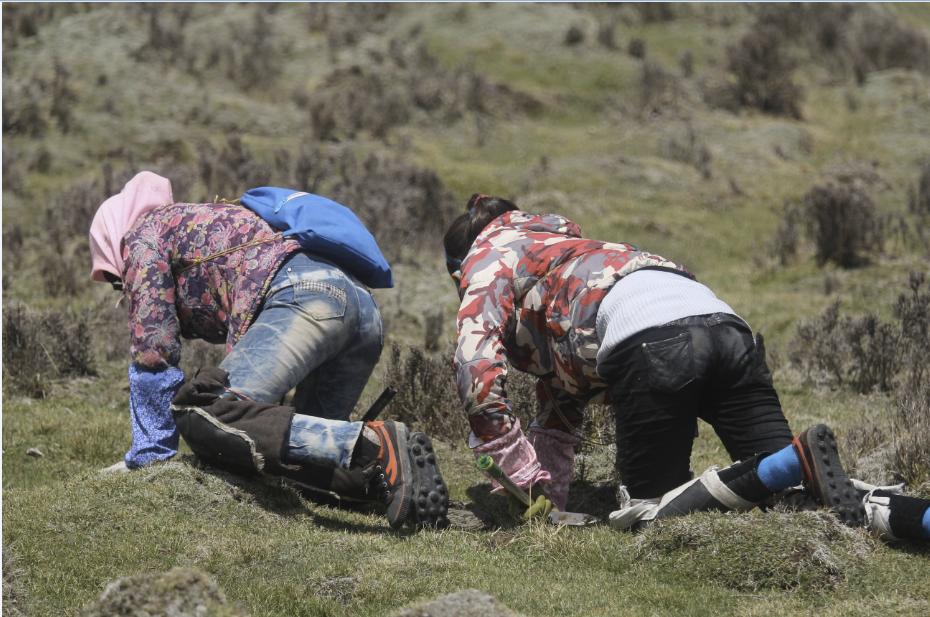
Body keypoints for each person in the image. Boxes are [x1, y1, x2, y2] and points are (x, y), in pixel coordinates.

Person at [442, 193, 930, 542]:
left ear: (459, 265)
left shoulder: (489, 254)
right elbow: (563, 398)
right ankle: (914, 518)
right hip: (725, 327)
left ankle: (786, 461)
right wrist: (543, 495)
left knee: (649, 518)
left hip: (653, 344)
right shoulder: (569, 250)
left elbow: (474, 360)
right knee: (803, 499)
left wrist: (505, 451)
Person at [88, 171, 448, 529]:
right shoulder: (200, 220)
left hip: (307, 296)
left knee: (205, 416)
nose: (123, 290)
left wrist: (151, 454)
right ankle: (386, 483)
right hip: (361, 310)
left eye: (118, 281)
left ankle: (376, 445)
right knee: (298, 460)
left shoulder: (141, 237)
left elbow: (155, 348)